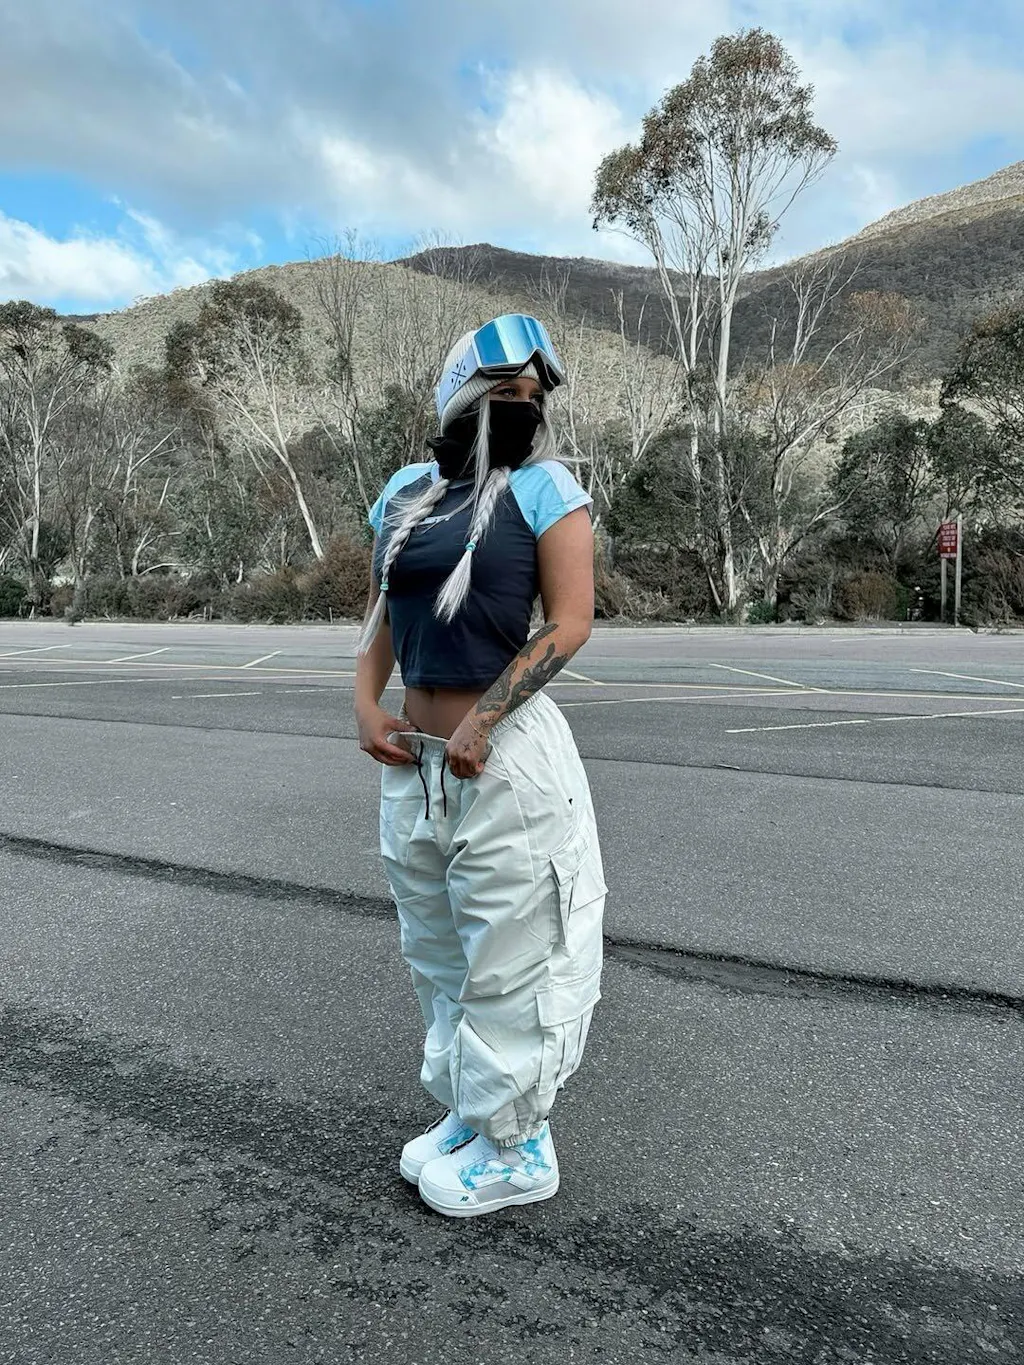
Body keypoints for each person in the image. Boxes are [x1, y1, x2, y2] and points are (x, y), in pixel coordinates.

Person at [353, 314, 606, 1218]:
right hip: (416, 763)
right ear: (460, 395)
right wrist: (363, 702)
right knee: (439, 951)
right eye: (505, 392)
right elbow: (384, 612)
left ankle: (520, 1145)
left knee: (513, 956)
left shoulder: (546, 489)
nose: (522, 407)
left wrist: (487, 716)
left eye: (533, 396)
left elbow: (570, 622)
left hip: (504, 759)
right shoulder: (405, 493)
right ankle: (474, 1109)